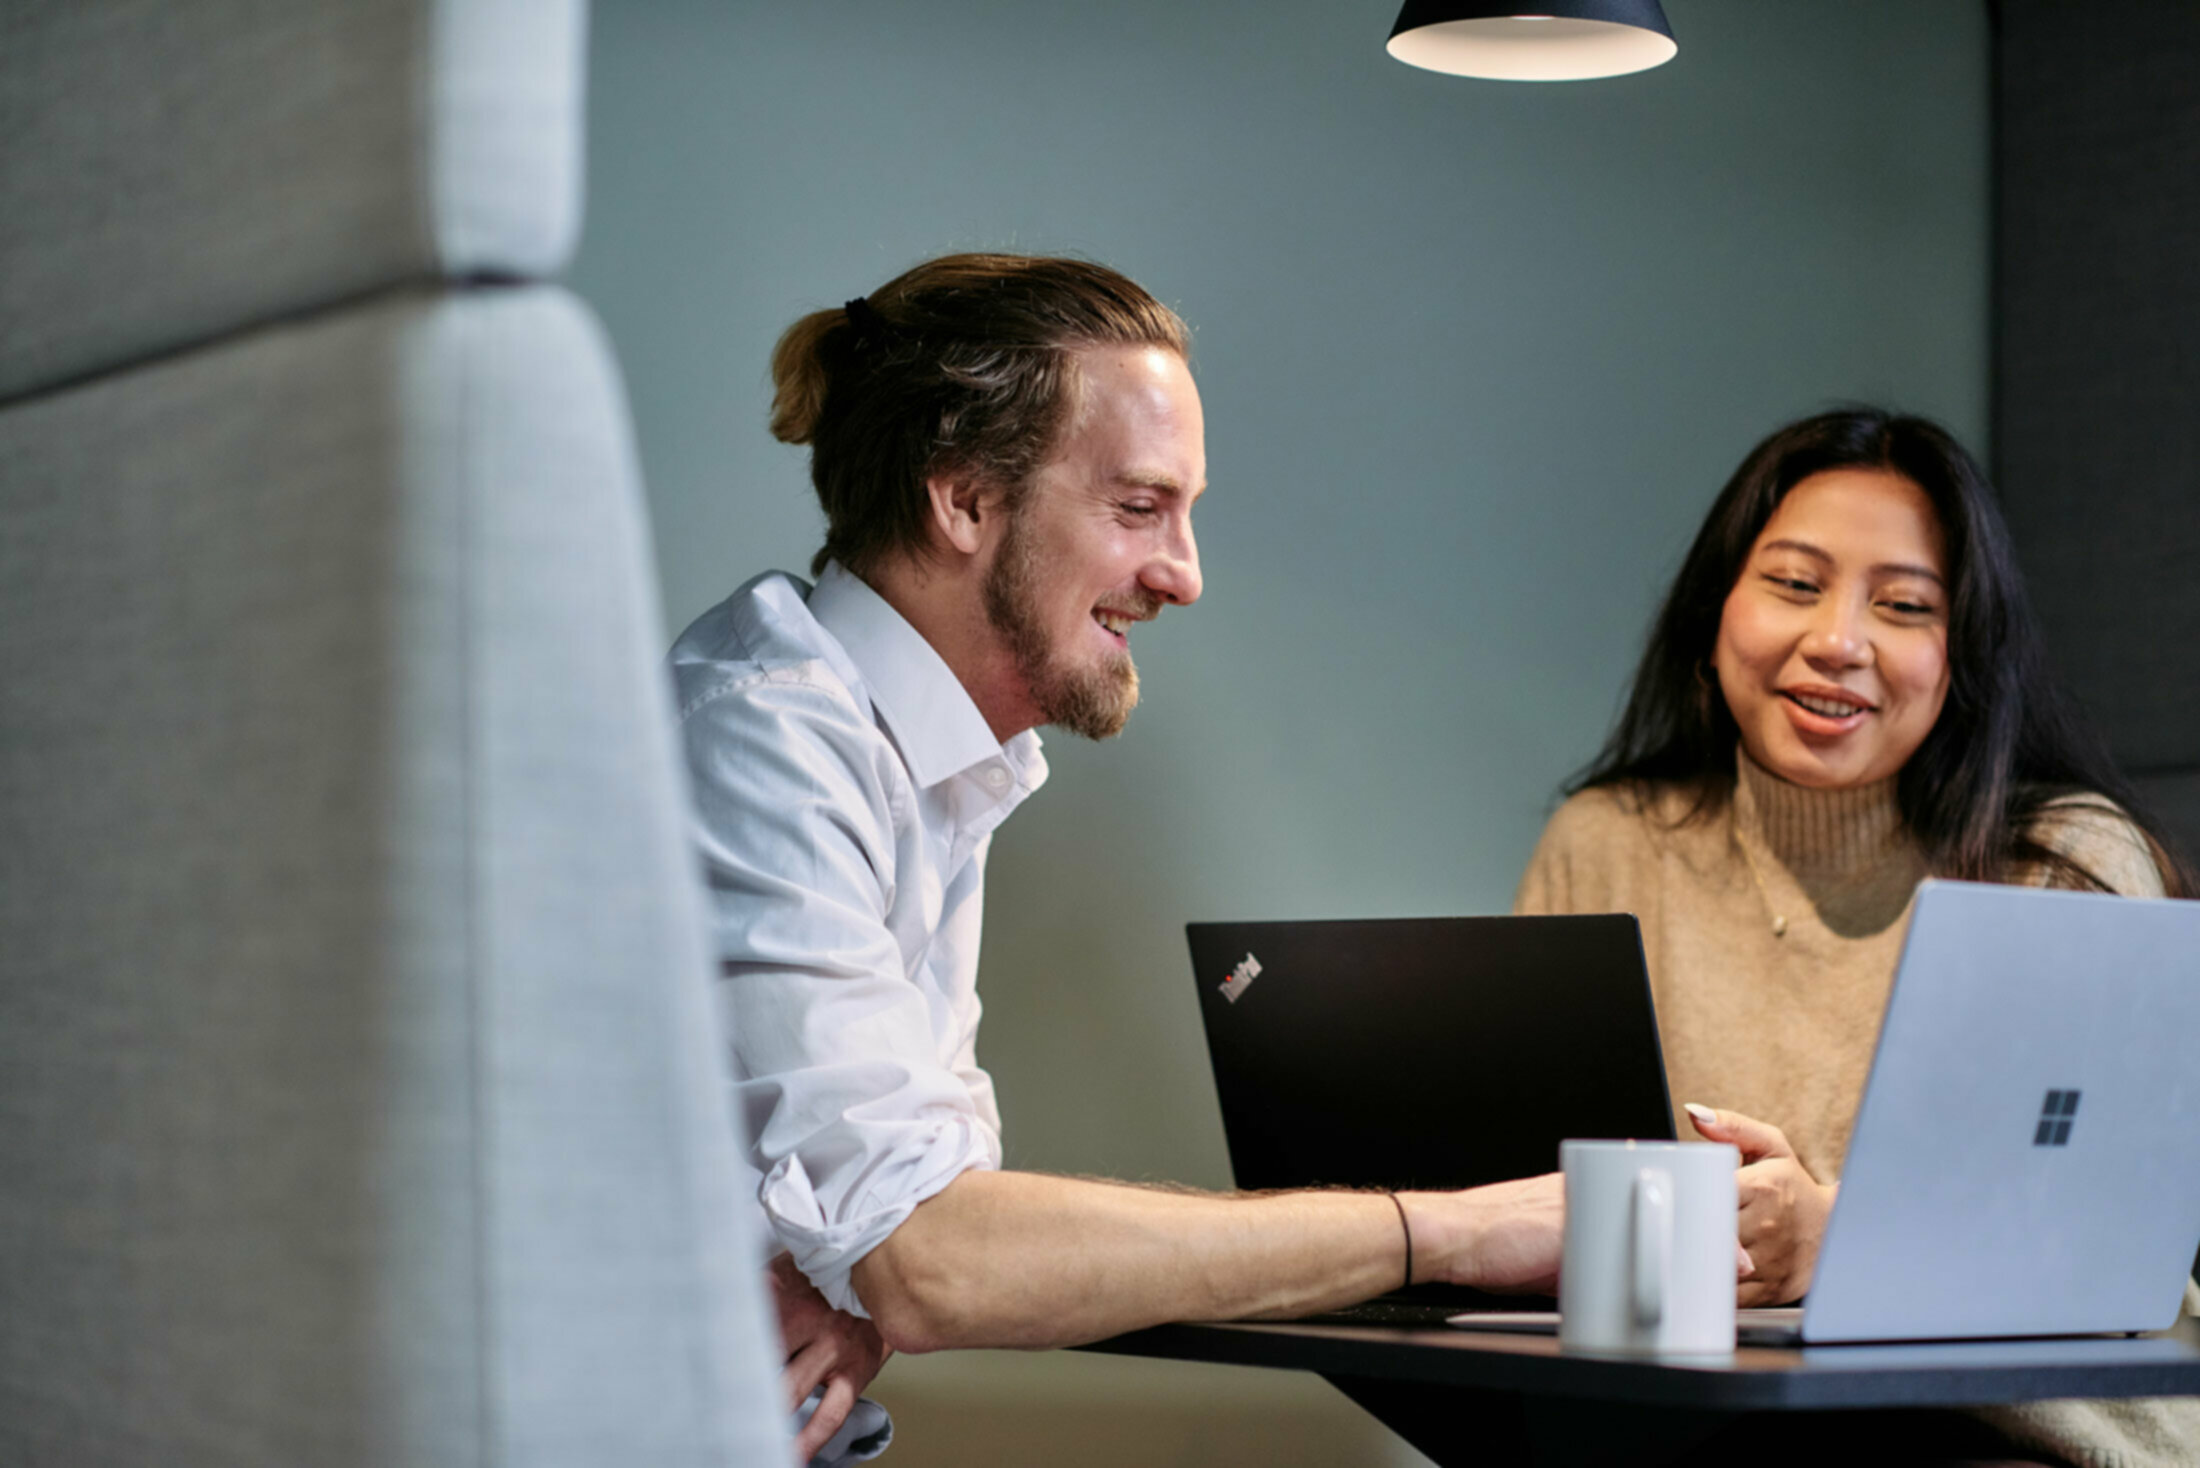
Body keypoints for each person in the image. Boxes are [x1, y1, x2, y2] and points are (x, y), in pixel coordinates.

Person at [673, 253, 1567, 1461]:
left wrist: (876, 1273)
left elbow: (911, 1239)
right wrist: (1449, 1234)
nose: (1183, 575)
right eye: (1139, 508)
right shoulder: (764, 739)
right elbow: (931, 1260)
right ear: (965, 502)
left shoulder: (917, 757)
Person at [1516, 407, 2200, 1466]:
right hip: (1702, 1422)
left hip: (2024, 1436)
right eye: (1793, 583)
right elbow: (1534, 1190)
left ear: (1962, 655)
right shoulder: (1606, 844)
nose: (1837, 642)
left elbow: (2112, 1255)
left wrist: (1827, 1235)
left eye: (1904, 605)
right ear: (1714, 612)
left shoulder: (2067, 860)